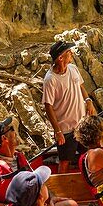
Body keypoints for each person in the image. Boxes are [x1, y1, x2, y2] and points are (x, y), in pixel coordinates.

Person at [0, 117, 77, 206]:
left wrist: (51, 198)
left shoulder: (18, 157)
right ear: (4, 138)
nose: (15, 131)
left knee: (71, 205)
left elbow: (35, 181)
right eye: (12, 129)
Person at [42, 40, 95, 173]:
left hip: (82, 124)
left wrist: (88, 100)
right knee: (65, 161)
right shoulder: (50, 80)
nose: (71, 54)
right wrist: (58, 131)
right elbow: (48, 106)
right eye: (68, 52)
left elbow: (81, 86)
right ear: (60, 58)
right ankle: (60, 187)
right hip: (66, 129)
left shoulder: (73, 69)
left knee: (91, 154)